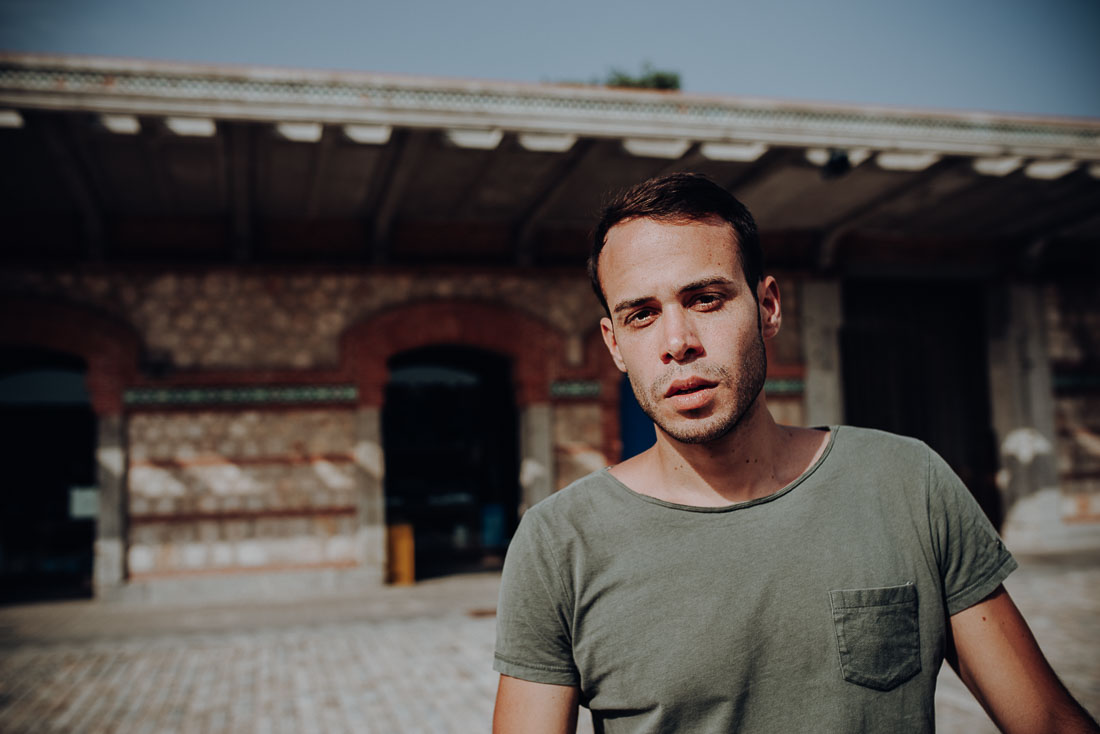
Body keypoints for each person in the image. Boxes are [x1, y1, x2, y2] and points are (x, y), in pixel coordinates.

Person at [492, 173, 1099, 733]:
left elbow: (1044, 719)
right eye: (642, 314)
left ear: (768, 307)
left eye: (705, 298)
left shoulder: (906, 483)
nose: (677, 342)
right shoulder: (558, 542)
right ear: (615, 343)